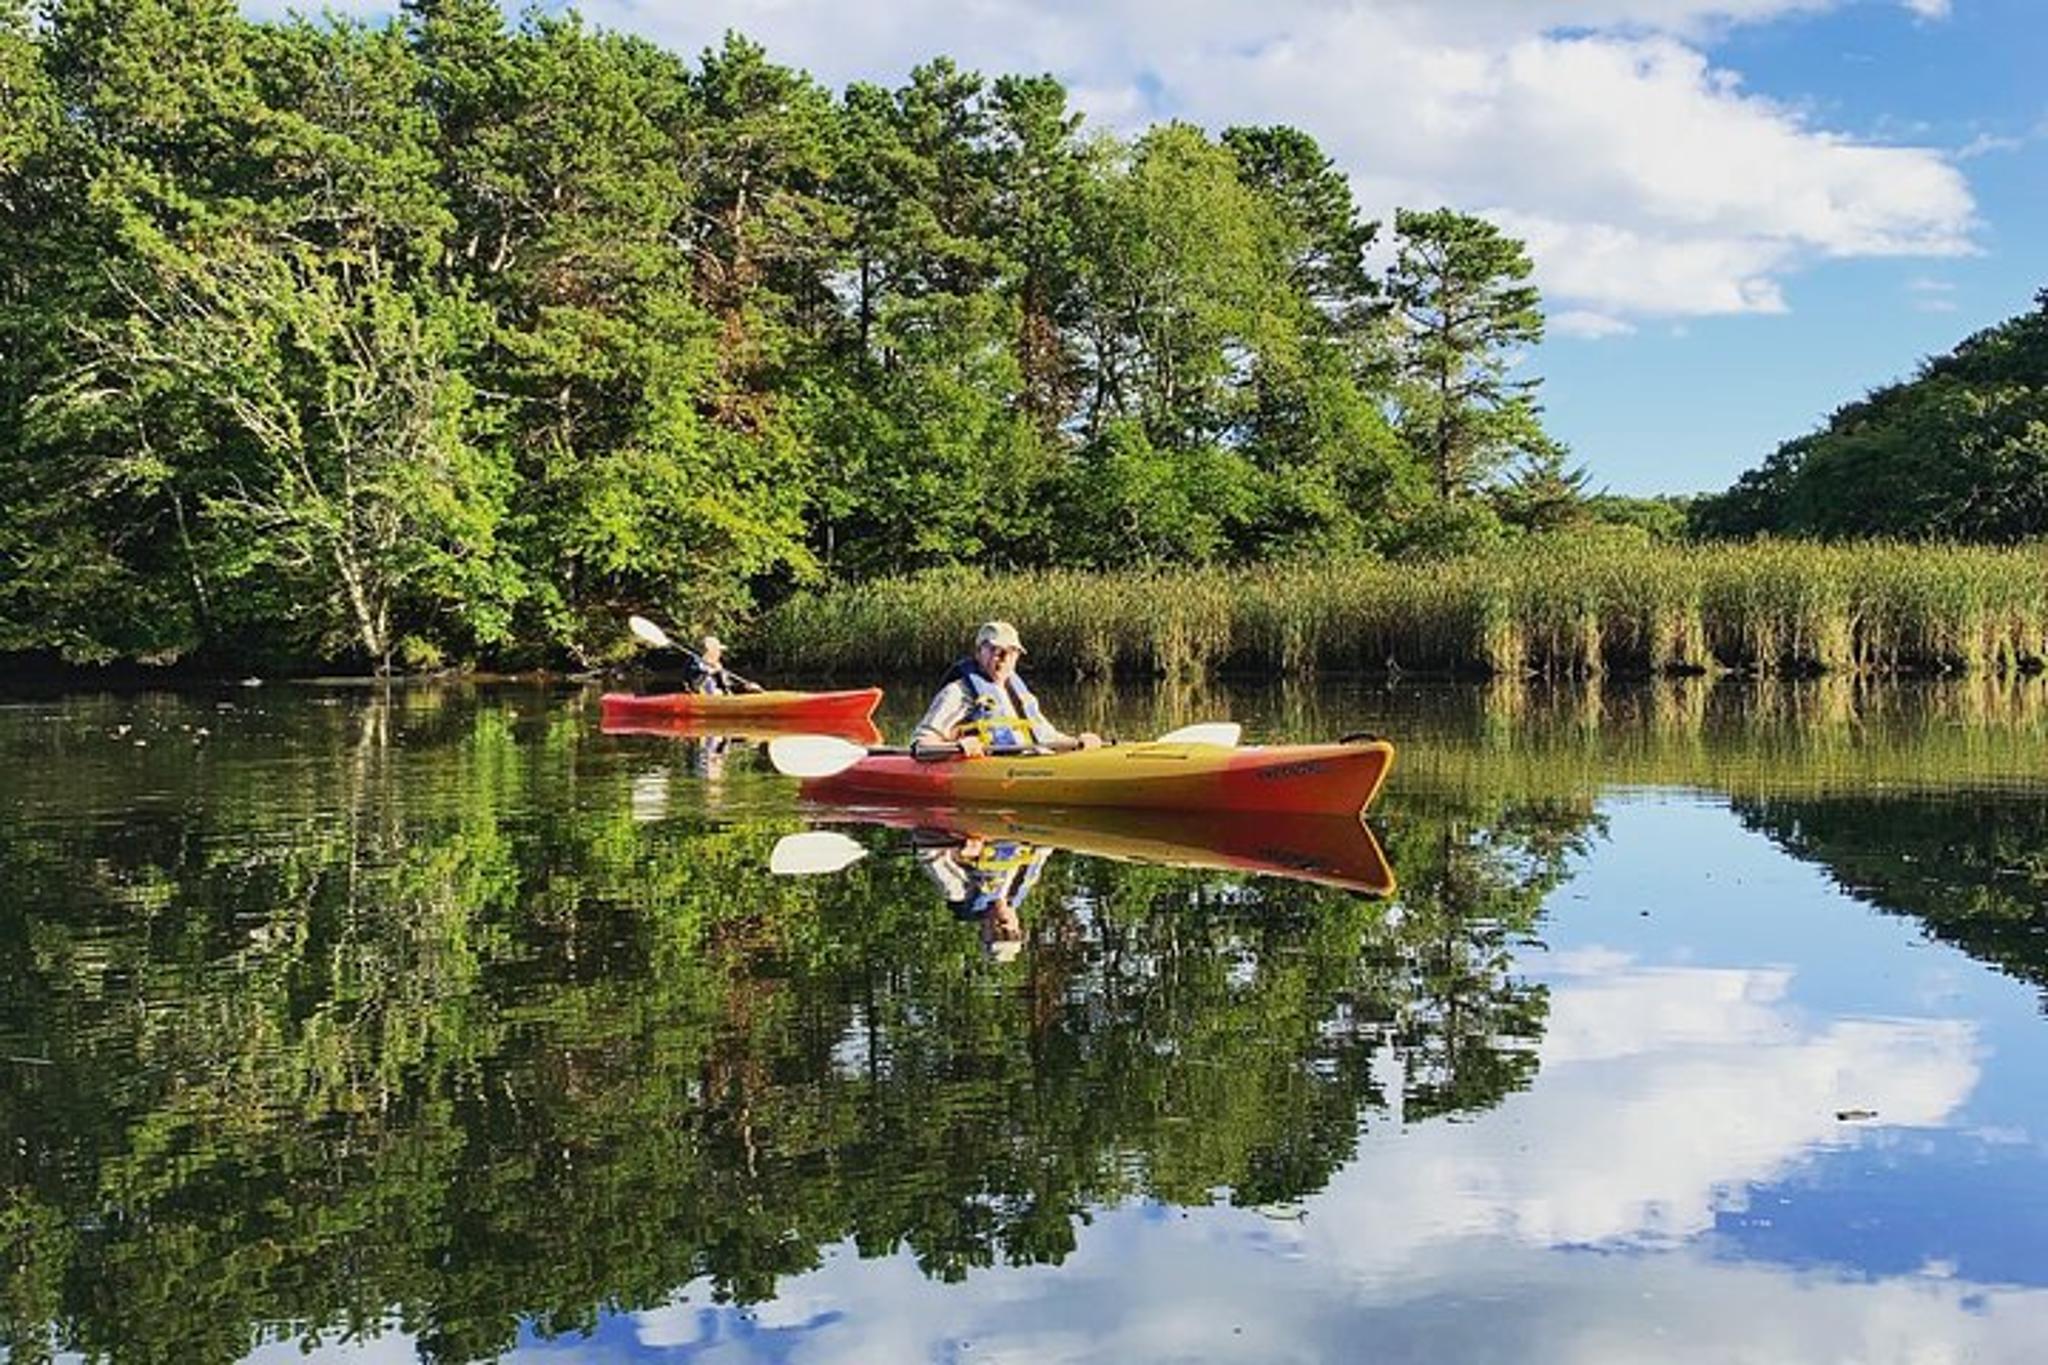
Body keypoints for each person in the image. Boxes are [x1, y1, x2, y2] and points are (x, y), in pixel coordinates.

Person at [910, 621, 1102, 760]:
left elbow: (1046, 737)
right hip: (989, 770)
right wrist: (958, 746)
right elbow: (920, 745)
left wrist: (1077, 742)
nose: (1002, 657)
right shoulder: (958, 693)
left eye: (1011, 651)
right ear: (978, 652)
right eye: (994, 650)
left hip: (1030, 764)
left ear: (1018, 655)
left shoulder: (1022, 696)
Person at [913, 829, 1051, 963]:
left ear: (983, 930)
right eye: (1011, 934)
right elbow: (1048, 844)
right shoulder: (1027, 883)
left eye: (996, 935)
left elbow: (922, 840)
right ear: (1020, 928)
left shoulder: (959, 893)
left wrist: (958, 846)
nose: (1003, 927)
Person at [687, 635, 764, 696]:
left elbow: (728, 687)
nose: (720, 654)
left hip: (721, 702)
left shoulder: (717, 666)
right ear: (710, 652)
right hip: (704, 704)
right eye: (718, 651)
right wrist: (712, 671)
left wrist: (745, 687)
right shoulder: (694, 666)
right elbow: (694, 687)